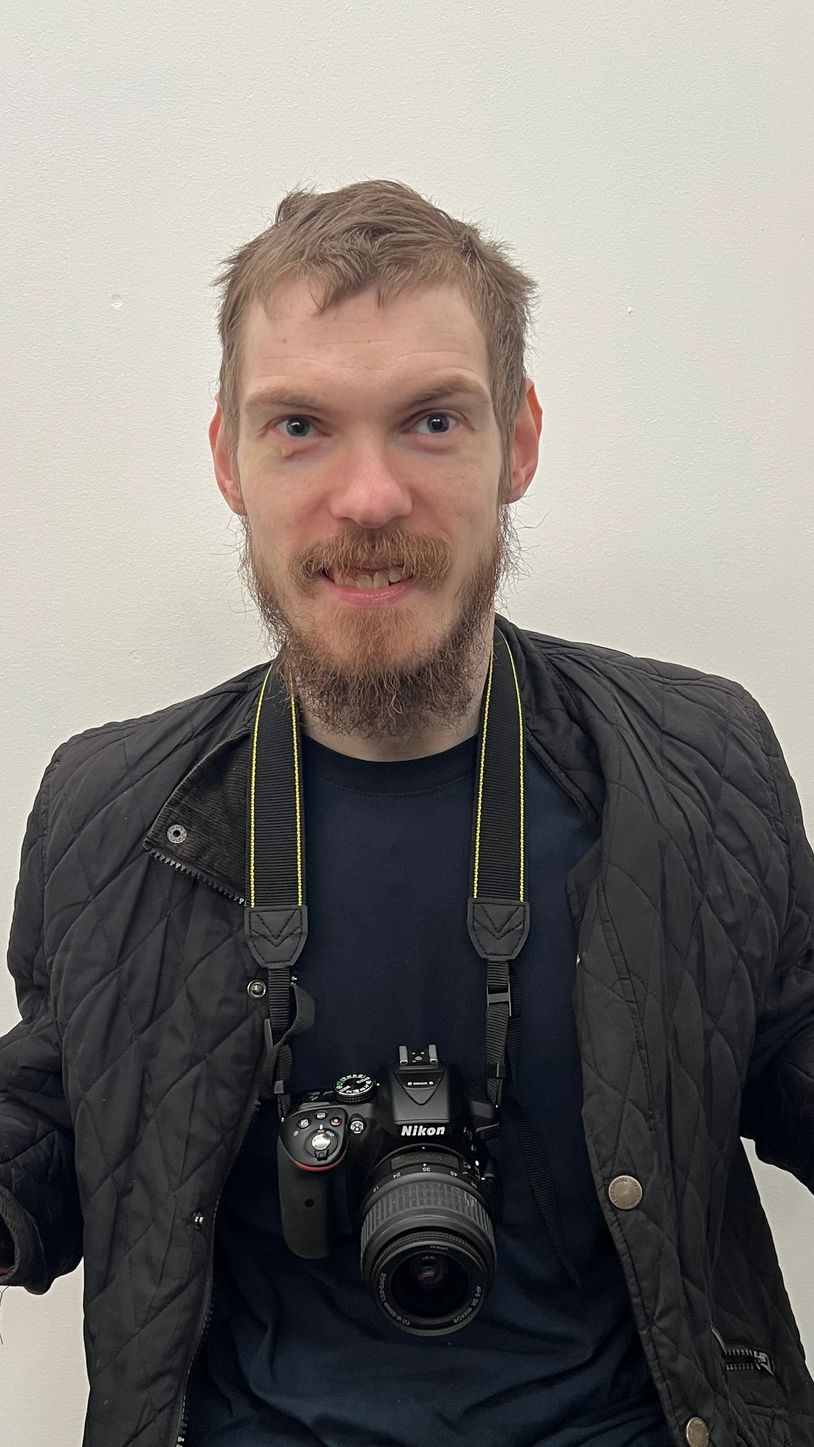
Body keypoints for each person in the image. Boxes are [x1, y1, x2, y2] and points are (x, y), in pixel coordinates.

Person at [0, 179, 811, 1447]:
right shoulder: (107, 805)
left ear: (518, 441)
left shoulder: (696, 762)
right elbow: (63, 1109)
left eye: (432, 420)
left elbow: (791, 1047)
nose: (368, 499)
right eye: (300, 427)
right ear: (227, 458)